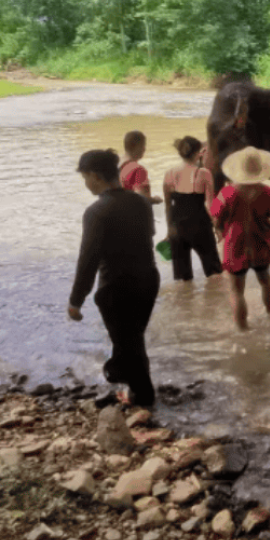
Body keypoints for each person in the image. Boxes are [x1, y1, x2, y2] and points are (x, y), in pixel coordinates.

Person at [67, 149, 161, 407]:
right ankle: (132, 388)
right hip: (148, 280)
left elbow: (88, 260)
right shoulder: (142, 202)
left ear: (96, 176)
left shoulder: (96, 212)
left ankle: (143, 398)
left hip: (117, 288)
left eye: (85, 178)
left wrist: (76, 301)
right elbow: (149, 235)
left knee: (128, 343)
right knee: (132, 340)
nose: (86, 184)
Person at [209, 147, 270, 331]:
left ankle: (243, 330)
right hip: (260, 243)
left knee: (236, 290)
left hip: (235, 245)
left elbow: (216, 219)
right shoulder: (268, 193)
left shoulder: (227, 193)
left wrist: (221, 231)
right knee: (266, 281)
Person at [162, 136, 223, 281]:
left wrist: (169, 230)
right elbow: (210, 205)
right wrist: (217, 228)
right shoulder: (203, 173)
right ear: (197, 153)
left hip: (177, 228)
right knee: (214, 273)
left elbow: (168, 206)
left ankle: (186, 296)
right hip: (200, 226)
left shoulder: (169, 173)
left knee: (183, 279)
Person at [119, 130, 162, 205]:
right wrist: (155, 200)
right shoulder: (138, 169)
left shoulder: (117, 164)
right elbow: (142, 198)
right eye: (143, 145)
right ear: (136, 146)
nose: (144, 149)